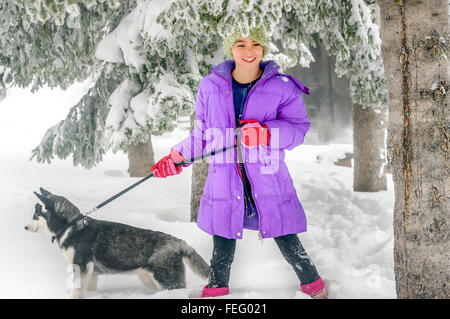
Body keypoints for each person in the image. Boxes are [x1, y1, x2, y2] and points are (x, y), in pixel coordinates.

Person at [150, 26, 327, 299]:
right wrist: (176, 158)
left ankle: (313, 286)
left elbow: (298, 129)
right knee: (223, 232)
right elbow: (203, 135)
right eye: (241, 44)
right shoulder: (211, 86)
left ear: (263, 49)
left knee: (285, 233)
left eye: (255, 44)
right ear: (231, 48)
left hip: (267, 175)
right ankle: (217, 286)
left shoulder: (282, 86)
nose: (249, 51)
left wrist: (265, 132)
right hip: (224, 176)